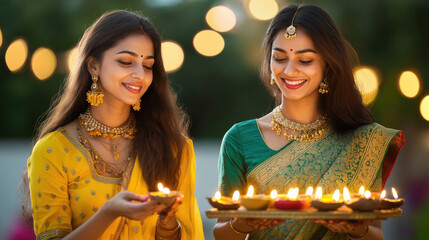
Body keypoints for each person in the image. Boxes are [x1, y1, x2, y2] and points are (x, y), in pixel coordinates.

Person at [213, 4, 404, 240]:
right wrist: (244, 225)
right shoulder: (239, 139)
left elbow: (375, 235)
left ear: (327, 65)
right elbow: (221, 233)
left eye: (304, 60)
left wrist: (356, 229)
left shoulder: (362, 140)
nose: (290, 70)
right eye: (280, 58)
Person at [24, 10, 204, 240]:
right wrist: (110, 212)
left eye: (148, 65)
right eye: (125, 61)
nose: (140, 74)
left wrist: (168, 222)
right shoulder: (53, 151)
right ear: (93, 66)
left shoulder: (173, 148)